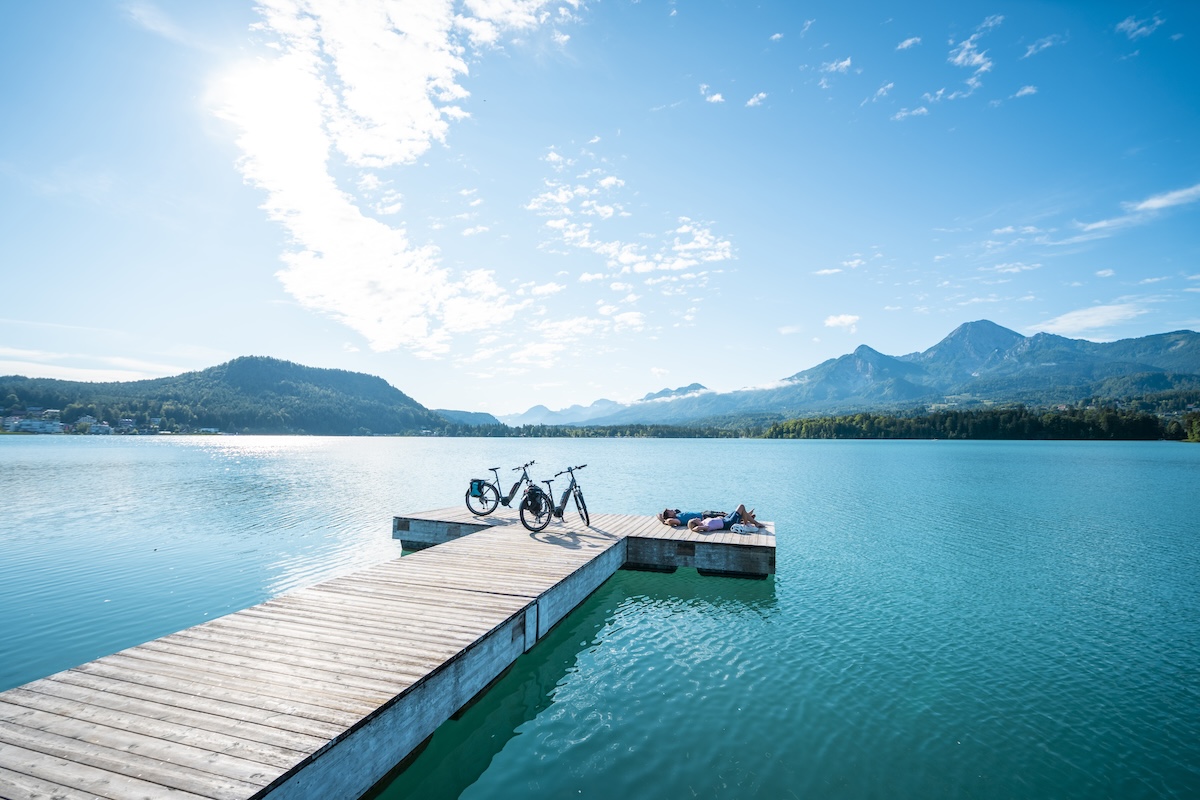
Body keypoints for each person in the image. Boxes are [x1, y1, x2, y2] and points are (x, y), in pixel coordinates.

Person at [658, 504, 763, 531]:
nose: (672, 510)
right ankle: (747, 518)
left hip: (705, 514)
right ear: (669, 515)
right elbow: (670, 521)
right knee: (738, 508)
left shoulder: (677, 513)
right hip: (708, 517)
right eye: (669, 511)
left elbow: (657, 514)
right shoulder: (676, 520)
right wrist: (664, 521)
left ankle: (746, 516)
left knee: (723, 513)